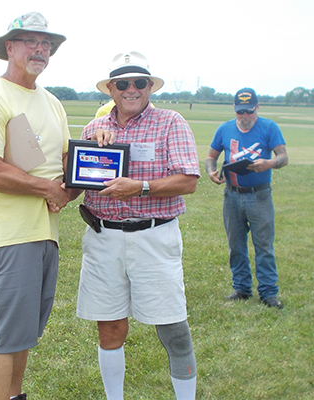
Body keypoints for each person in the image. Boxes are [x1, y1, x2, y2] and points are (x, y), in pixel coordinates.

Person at [0, 12, 71, 400]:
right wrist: (47, 189)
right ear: (10, 47)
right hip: (7, 237)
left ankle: (14, 396)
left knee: (24, 330)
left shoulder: (52, 103)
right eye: (30, 42)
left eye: (46, 44)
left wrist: (72, 187)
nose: (40, 50)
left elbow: (67, 167)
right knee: (5, 333)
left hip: (44, 235)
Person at [74, 51, 201, 399]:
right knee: (110, 328)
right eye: (123, 83)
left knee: (174, 329)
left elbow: (188, 180)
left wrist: (140, 187)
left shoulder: (170, 122)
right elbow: (77, 180)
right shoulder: (93, 129)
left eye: (139, 83)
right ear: (111, 90)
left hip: (153, 235)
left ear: (149, 88)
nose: (132, 89)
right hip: (103, 237)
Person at [205, 88, 288, 309]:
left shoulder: (269, 127)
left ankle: (268, 293)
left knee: (263, 246)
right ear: (234, 109)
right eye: (240, 112)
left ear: (257, 108)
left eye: (249, 112)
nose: (244, 117)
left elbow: (283, 157)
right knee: (236, 245)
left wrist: (267, 163)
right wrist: (211, 171)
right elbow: (211, 157)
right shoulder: (224, 129)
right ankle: (241, 288)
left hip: (259, 195)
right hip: (231, 195)